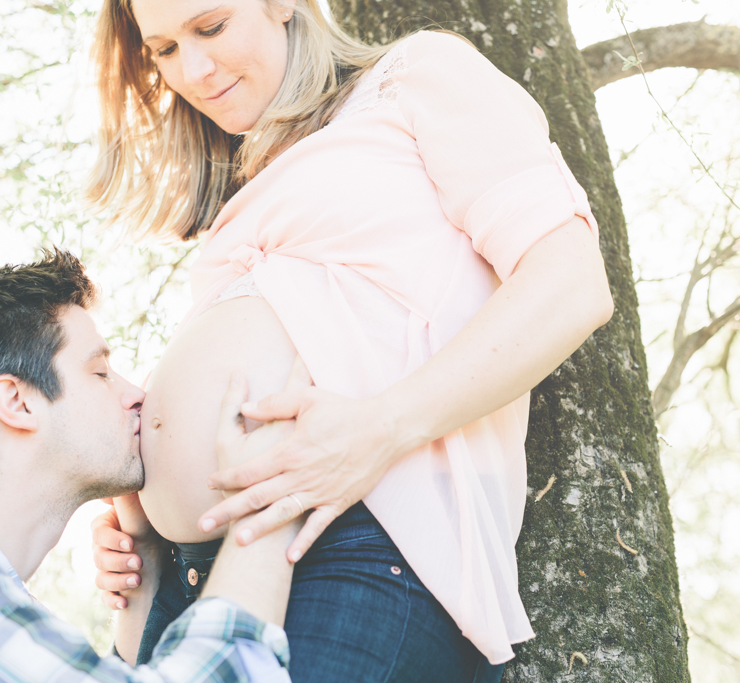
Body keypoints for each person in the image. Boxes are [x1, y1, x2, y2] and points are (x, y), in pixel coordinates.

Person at [87, 1, 614, 680]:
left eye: (211, 28)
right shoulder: (241, 189)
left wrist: (379, 430)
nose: (192, 69)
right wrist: (150, 523)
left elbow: (571, 282)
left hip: (358, 541)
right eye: (162, 50)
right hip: (197, 579)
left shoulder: (419, 75)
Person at [0, 250, 309, 683]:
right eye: (99, 372)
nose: (137, 395)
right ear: (18, 402)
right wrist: (267, 497)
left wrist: (145, 554)